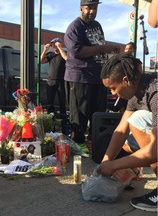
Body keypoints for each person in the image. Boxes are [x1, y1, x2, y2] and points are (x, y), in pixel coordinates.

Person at [98, 52, 157, 212]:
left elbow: (155, 150)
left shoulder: (155, 92)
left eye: (113, 88)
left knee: (138, 119)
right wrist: (106, 162)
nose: (113, 93)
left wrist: (114, 165)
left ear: (125, 80)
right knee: (128, 140)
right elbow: (121, 130)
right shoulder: (136, 91)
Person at [64, 0, 120, 143]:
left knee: (98, 114)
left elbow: (99, 45)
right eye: (88, 8)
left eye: (94, 8)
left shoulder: (97, 25)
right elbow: (77, 52)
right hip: (80, 77)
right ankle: (78, 149)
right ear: (81, 8)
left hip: (98, 77)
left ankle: (97, 144)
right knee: (79, 116)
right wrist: (102, 48)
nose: (92, 11)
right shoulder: (74, 27)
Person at [40, 37, 69, 133]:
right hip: (51, 81)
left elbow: (66, 58)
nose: (54, 47)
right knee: (50, 103)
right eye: (53, 45)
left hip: (61, 81)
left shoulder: (64, 53)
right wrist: (45, 50)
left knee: (62, 103)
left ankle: (64, 128)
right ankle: (50, 127)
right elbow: (41, 60)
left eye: (55, 44)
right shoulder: (51, 55)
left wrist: (60, 48)